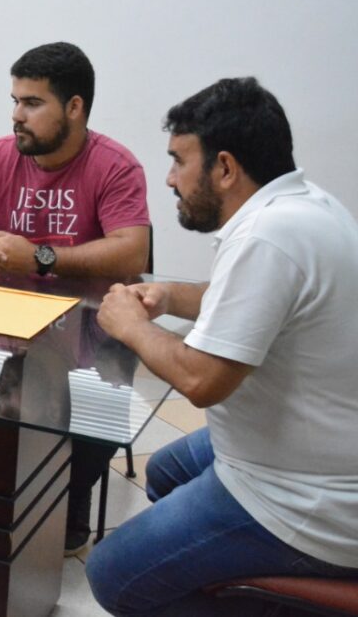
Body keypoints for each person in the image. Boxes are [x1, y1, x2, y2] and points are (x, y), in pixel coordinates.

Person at [87, 77, 358, 616]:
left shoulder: (267, 237)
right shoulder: (305, 208)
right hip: (310, 451)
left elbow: (201, 381)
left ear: (226, 168)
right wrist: (168, 297)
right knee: (166, 471)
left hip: (306, 499)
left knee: (113, 575)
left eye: (179, 161)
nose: (170, 178)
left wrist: (132, 325)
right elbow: (248, 302)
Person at [0, 40, 152, 554]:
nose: (15, 116)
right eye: (15, 100)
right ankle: (0, 505)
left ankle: (65, 510)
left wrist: (43, 258)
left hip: (92, 331)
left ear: (75, 107)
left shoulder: (115, 166)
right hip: (9, 325)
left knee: (83, 424)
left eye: (31, 103)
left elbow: (131, 252)